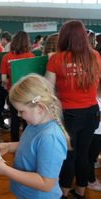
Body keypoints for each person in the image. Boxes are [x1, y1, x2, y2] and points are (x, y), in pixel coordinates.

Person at [0, 74, 69, 199]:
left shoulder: (50, 138)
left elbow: (46, 184)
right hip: (26, 192)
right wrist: (10, 146)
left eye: (21, 111)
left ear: (40, 108)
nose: (19, 115)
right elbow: (31, 145)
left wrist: (5, 170)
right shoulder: (34, 123)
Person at [45, 20, 101, 198]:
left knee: (69, 155)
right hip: (92, 112)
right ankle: (81, 191)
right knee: (84, 154)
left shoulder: (56, 58)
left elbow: (47, 89)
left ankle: (64, 191)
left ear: (64, 36)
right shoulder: (95, 56)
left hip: (69, 115)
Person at [0, 31, 35, 142]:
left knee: (14, 118)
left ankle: (14, 143)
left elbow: (4, 79)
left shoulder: (6, 57)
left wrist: (8, 86)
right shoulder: (31, 56)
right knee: (26, 119)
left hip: (13, 92)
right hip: (27, 94)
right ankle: (26, 142)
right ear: (27, 42)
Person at [87, 83, 101, 191]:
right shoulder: (93, 99)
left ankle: (95, 161)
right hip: (95, 133)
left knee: (92, 156)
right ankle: (90, 181)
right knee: (90, 157)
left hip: (97, 132)